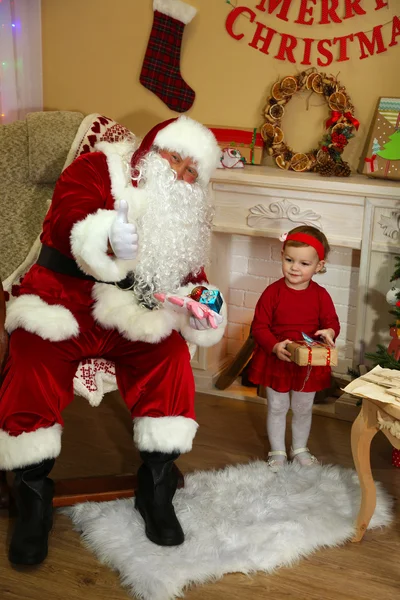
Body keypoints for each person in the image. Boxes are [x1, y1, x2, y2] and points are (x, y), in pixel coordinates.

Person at [0, 116, 226, 565]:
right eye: (174, 157)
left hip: (136, 316)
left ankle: (156, 488)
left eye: (190, 171)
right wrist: (104, 236)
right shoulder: (95, 169)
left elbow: (190, 276)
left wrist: (202, 307)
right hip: (65, 302)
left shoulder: (185, 209)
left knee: (170, 361)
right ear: (151, 149)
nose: (180, 172)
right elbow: (68, 218)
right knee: (31, 362)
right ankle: (32, 498)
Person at [249, 225, 340, 471]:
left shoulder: (321, 296)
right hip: (277, 359)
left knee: (303, 407)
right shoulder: (272, 293)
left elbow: (332, 322)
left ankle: (299, 447)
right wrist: (274, 345)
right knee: (277, 407)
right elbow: (259, 327)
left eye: (304, 263)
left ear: (319, 266)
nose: (294, 268)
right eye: (289, 260)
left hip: (307, 363)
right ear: (282, 256)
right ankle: (277, 450)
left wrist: (329, 332)